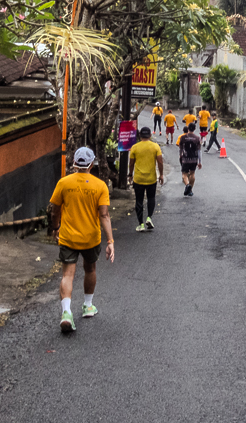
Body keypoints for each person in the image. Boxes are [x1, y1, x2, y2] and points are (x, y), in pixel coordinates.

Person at [48, 146, 115, 334]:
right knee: (90, 269)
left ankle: (67, 313)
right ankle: (87, 306)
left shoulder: (64, 183)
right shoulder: (100, 186)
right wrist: (110, 241)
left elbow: (54, 209)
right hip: (91, 238)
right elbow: (104, 215)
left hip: (68, 236)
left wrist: (55, 228)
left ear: (74, 164)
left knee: (68, 274)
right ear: (92, 164)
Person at [127, 126, 163, 232]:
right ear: (150, 136)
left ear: (140, 136)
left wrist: (130, 174)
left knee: (139, 200)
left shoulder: (135, 147)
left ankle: (141, 224)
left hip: (138, 179)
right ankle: (149, 218)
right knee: (151, 198)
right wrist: (161, 175)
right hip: (151, 178)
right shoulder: (155, 146)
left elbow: (131, 163)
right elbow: (160, 162)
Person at [178, 124, 203, 196]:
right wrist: (200, 162)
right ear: (195, 128)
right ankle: (190, 190)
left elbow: (180, 149)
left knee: (184, 174)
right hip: (194, 159)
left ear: (188, 128)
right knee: (192, 174)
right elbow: (199, 151)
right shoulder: (197, 138)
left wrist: (180, 156)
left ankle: (187, 185)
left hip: (185, 159)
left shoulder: (182, 138)